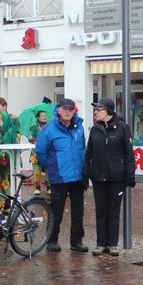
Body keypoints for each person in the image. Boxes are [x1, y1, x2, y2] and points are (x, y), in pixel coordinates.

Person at [34, 98, 87, 253]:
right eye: (64, 108)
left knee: (78, 212)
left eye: (70, 109)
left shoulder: (79, 128)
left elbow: (82, 148)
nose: (67, 111)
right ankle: (52, 240)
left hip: (77, 177)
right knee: (56, 211)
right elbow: (40, 152)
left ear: (74, 111)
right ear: (58, 110)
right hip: (59, 177)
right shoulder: (48, 130)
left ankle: (76, 241)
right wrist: (52, 167)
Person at [84, 98, 135, 256]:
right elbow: (89, 154)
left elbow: (129, 154)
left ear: (109, 111)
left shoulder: (122, 127)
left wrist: (129, 175)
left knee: (113, 212)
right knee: (100, 211)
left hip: (116, 178)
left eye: (99, 109)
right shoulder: (94, 129)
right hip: (98, 177)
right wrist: (86, 173)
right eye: (95, 110)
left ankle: (112, 244)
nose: (96, 112)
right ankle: (101, 244)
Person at [26, 109, 50, 194]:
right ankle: (37, 188)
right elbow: (29, 137)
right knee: (37, 170)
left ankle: (49, 188)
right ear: (38, 117)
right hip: (36, 153)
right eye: (42, 116)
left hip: (47, 152)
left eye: (45, 116)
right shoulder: (34, 127)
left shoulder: (49, 126)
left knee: (48, 171)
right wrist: (36, 141)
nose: (44, 117)